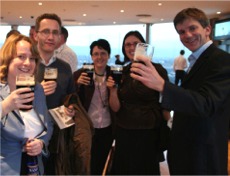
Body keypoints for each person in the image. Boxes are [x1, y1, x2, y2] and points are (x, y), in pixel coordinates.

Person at [130, 8, 230, 175]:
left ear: (207, 29)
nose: (187, 35)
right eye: (182, 32)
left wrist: (163, 85)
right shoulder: (196, 60)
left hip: (203, 155)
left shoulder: (222, 61)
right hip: (188, 151)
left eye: (192, 28)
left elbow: (206, 104)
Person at [107, 30, 171, 175]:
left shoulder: (157, 70)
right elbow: (116, 108)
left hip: (148, 132)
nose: (131, 48)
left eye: (135, 44)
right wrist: (112, 90)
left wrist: (170, 125)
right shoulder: (123, 71)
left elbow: (165, 102)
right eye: (127, 45)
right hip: (124, 130)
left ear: (144, 46)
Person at [0, 34, 53, 175]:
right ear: (8, 58)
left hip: (34, 166)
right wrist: (5, 106)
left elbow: (47, 124)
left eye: (32, 58)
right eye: (21, 56)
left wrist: (41, 143)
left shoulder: (37, 89)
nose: (27, 63)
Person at [34, 13, 76, 175]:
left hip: (58, 138)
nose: (50, 37)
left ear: (60, 36)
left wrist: (71, 109)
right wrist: (39, 92)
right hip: (30, 137)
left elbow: (71, 98)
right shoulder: (27, 64)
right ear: (36, 34)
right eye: (45, 31)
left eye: (55, 32)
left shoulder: (64, 67)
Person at [73, 39, 114, 175]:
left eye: (103, 53)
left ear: (108, 55)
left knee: (101, 162)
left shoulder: (114, 75)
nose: (99, 57)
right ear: (91, 56)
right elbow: (70, 97)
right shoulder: (81, 74)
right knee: (85, 162)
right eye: (96, 54)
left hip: (107, 127)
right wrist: (77, 84)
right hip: (87, 127)